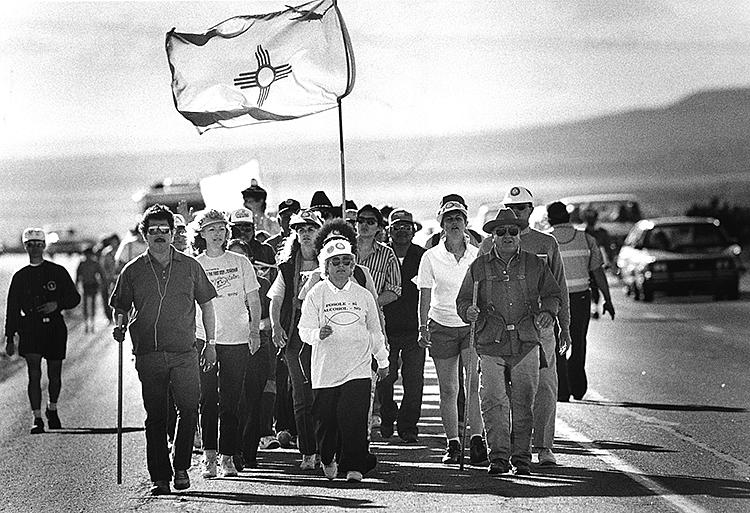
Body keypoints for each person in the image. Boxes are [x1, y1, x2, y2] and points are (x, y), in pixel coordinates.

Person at [110, 204, 217, 496]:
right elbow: (119, 307)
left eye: (164, 230)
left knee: (189, 409)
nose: (159, 235)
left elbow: (207, 306)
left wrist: (211, 344)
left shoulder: (191, 266)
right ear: (144, 235)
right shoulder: (132, 271)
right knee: (155, 417)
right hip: (149, 354)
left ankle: (180, 465)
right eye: (153, 230)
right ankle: (160, 477)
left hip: (185, 352)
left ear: (173, 233)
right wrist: (118, 325)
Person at [457, 208, 562, 476]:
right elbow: (463, 300)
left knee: (523, 403)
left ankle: (522, 460)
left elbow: (553, 294)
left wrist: (548, 313)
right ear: (492, 236)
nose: (506, 236)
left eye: (512, 232)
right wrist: (468, 311)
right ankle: (499, 458)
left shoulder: (535, 264)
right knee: (493, 401)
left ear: (519, 235)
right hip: (491, 343)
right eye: (500, 232)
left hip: (526, 343)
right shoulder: (478, 267)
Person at [480, 186, 570, 466]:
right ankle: (504, 451)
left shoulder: (546, 244)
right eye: (510, 207)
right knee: (500, 392)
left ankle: (543, 447)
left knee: (544, 386)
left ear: (530, 210)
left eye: (520, 208)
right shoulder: (488, 244)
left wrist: (563, 325)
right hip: (500, 330)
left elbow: (559, 288)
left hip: (539, 327)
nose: (514, 213)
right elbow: (478, 287)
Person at [298, 237, 389, 482]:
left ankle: (354, 466)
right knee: (325, 420)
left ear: (353, 266)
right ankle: (327, 457)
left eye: (346, 262)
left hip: (357, 367)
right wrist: (318, 334)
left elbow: (374, 331)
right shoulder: (316, 294)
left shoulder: (363, 295)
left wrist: (382, 360)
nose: (341, 266)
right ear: (325, 267)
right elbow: (303, 330)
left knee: (355, 418)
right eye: (335, 262)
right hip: (325, 370)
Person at [189, 209, 262, 478]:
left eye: (221, 229)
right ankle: (208, 456)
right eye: (211, 230)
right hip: (204, 339)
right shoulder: (194, 264)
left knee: (231, 401)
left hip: (237, 338)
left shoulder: (241, 262)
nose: (217, 234)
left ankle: (227, 456)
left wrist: (254, 331)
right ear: (201, 235)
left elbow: (253, 299)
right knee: (207, 399)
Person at [415, 199, 486, 465]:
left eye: (458, 218)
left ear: (466, 223)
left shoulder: (476, 254)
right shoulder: (430, 256)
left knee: (472, 386)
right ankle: (453, 443)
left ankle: (477, 440)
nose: (454, 223)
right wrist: (422, 328)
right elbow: (424, 295)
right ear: (442, 225)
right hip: (441, 326)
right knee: (448, 389)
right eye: (449, 219)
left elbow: (484, 291)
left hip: (470, 326)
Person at [5, 227, 81, 434]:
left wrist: (57, 304)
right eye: (31, 245)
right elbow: (12, 308)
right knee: (34, 374)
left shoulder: (57, 272)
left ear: (44, 246)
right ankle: (37, 417)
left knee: (55, 375)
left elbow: (75, 298)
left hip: (55, 328)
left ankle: (52, 408)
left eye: (38, 244)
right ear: (25, 247)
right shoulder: (20, 277)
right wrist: (9, 337)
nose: (35, 249)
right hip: (30, 329)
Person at [268, 209, 325, 470]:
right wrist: (276, 326)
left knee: (324, 394)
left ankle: (327, 448)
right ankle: (308, 452)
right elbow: (276, 298)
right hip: (295, 338)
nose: (305, 233)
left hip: (326, 338)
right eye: (300, 229)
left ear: (320, 232)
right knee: (301, 395)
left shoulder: (332, 261)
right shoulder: (287, 265)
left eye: (311, 228)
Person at [547, 202, 615, 401]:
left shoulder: (545, 240)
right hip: (580, 299)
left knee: (557, 342)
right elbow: (598, 271)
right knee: (578, 340)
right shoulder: (586, 239)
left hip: (555, 301)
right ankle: (577, 383)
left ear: (550, 219)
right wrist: (608, 300)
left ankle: (562, 388)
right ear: (568, 217)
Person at [227, 207, 280, 451]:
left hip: (261, 339)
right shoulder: (223, 281)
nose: (244, 231)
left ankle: (263, 434)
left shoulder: (265, 279)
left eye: (247, 227)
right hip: (230, 341)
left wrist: (257, 329)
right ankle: (235, 446)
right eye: (238, 228)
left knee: (265, 386)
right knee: (237, 396)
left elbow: (270, 311)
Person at [378, 209, 426, 443]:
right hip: (386, 328)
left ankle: (408, 426)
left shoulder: (423, 256)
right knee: (385, 378)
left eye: (407, 226)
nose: (402, 230)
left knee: (414, 379)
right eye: (397, 226)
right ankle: (387, 416)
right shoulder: (382, 255)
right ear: (389, 230)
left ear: (414, 230)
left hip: (414, 329)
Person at [355, 204, 401, 431]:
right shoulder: (344, 248)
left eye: (370, 221)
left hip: (372, 321)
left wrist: (370, 303)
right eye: (360, 220)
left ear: (379, 227)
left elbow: (394, 289)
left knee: (372, 373)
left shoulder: (387, 254)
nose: (364, 224)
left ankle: (369, 419)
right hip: (340, 318)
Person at [582, 208, 614, 319]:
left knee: (595, 285)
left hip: (594, 263)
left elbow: (608, 248)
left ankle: (594, 306)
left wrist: (610, 261)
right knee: (591, 286)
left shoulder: (600, 233)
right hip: (585, 264)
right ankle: (592, 306)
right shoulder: (582, 233)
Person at [76, 245, 104, 333]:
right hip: (87, 284)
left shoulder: (92, 263)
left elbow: (101, 274)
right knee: (86, 304)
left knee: (91, 304)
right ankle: (87, 323)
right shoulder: (84, 263)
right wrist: (76, 284)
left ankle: (91, 323)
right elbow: (78, 275)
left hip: (92, 284)